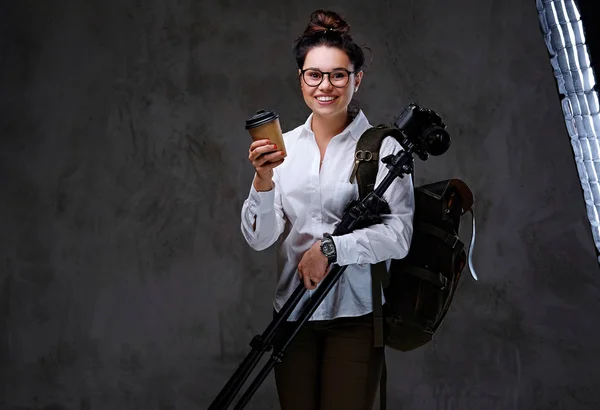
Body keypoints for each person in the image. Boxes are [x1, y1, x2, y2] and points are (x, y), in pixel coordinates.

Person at [240, 9, 415, 410]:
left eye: (338, 74)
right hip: (291, 312)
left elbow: (399, 236)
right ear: (301, 78)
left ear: (357, 79)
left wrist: (331, 249)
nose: (326, 86)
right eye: (313, 74)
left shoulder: (385, 147)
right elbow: (260, 239)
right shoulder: (285, 147)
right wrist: (263, 181)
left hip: (355, 315)